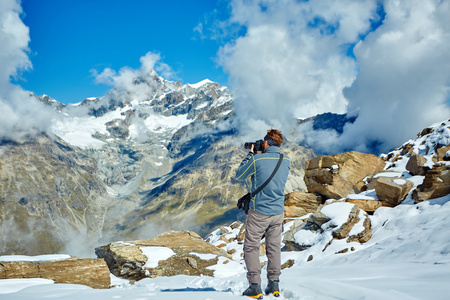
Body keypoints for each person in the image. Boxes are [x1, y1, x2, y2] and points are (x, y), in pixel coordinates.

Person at [236, 129, 291, 299]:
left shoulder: (257, 159)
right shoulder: (286, 160)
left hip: (259, 212)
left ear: (266, 143)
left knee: (251, 247)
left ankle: (254, 286)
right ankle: (274, 284)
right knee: (274, 247)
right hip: (278, 212)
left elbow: (240, 175)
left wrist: (251, 154)